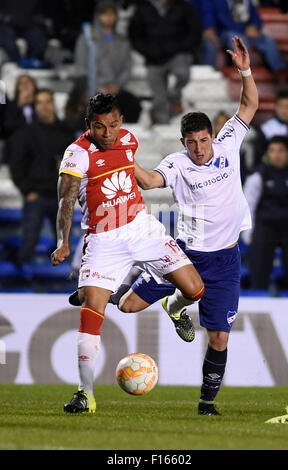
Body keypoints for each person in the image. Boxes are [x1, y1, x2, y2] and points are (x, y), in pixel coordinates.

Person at [104, 36, 259, 416]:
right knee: (127, 307)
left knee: (220, 337)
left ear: (212, 136)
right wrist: (127, 158)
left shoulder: (227, 144)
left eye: (204, 140)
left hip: (223, 260)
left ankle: (207, 404)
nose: (200, 149)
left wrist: (245, 70)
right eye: (192, 143)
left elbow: (249, 103)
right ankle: (114, 289)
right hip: (184, 255)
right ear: (183, 143)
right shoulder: (177, 163)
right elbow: (150, 181)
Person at [50, 93, 205, 414]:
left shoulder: (129, 140)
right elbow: (66, 200)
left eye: (113, 125)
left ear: (121, 122)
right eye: (99, 127)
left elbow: (133, 176)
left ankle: (172, 306)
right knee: (91, 311)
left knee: (195, 290)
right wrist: (63, 241)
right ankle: (85, 393)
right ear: (87, 125)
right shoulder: (77, 154)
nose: (107, 133)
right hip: (103, 240)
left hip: (142, 228)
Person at [8, 89, 74, 265]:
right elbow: (17, 165)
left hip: (61, 197)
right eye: (40, 102)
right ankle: (20, 284)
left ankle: (63, 285)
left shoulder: (65, 132)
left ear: (53, 104)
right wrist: (27, 190)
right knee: (28, 243)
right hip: (36, 195)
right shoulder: (26, 134)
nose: (44, 107)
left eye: (48, 102)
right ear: (35, 107)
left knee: (63, 246)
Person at [128, 0, 202, 124]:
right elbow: (134, 35)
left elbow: (195, 32)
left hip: (177, 54)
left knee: (183, 74)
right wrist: (147, 50)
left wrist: (179, 46)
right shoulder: (142, 8)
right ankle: (162, 125)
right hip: (153, 58)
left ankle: (175, 95)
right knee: (158, 98)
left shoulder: (183, 6)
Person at [243, 135, 288, 290]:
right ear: (267, 153)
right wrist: (249, 233)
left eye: (281, 151)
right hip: (265, 226)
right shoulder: (258, 175)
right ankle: (257, 299)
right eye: (272, 150)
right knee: (259, 267)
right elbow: (249, 205)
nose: (276, 154)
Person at [74, 1, 141, 122]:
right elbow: (81, 66)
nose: (109, 18)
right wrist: (98, 86)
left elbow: (127, 67)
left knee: (132, 106)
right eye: (105, 14)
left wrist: (116, 86)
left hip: (115, 90)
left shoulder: (122, 41)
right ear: (98, 15)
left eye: (112, 14)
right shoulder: (86, 39)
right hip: (91, 89)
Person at [189, 0, 286, 74]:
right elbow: (221, 19)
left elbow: (256, 17)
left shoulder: (246, 1)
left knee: (268, 41)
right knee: (236, 38)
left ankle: (280, 73)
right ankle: (245, 72)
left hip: (248, 32)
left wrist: (255, 27)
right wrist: (244, 29)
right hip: (227, 31)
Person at [253, 90, 288, 167]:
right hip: (272, 173)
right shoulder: (266, 129)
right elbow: (259, 158)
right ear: (276, 107)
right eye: (281, 106)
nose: (284, 111)